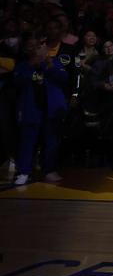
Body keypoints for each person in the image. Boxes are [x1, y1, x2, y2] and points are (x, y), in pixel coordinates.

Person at [14, 37, 70, 185]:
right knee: (27, 141)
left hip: (51, 108)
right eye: (32, 46)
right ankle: (24, 171)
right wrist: (33, 64)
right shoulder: (23, 66)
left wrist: (49, 64)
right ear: (27, 50)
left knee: (51, 140)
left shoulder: (54, 61)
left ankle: (49, 170)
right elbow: (17, 81)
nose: (36, 49)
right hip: (31, 108)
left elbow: (64, 78)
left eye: (38, 45)